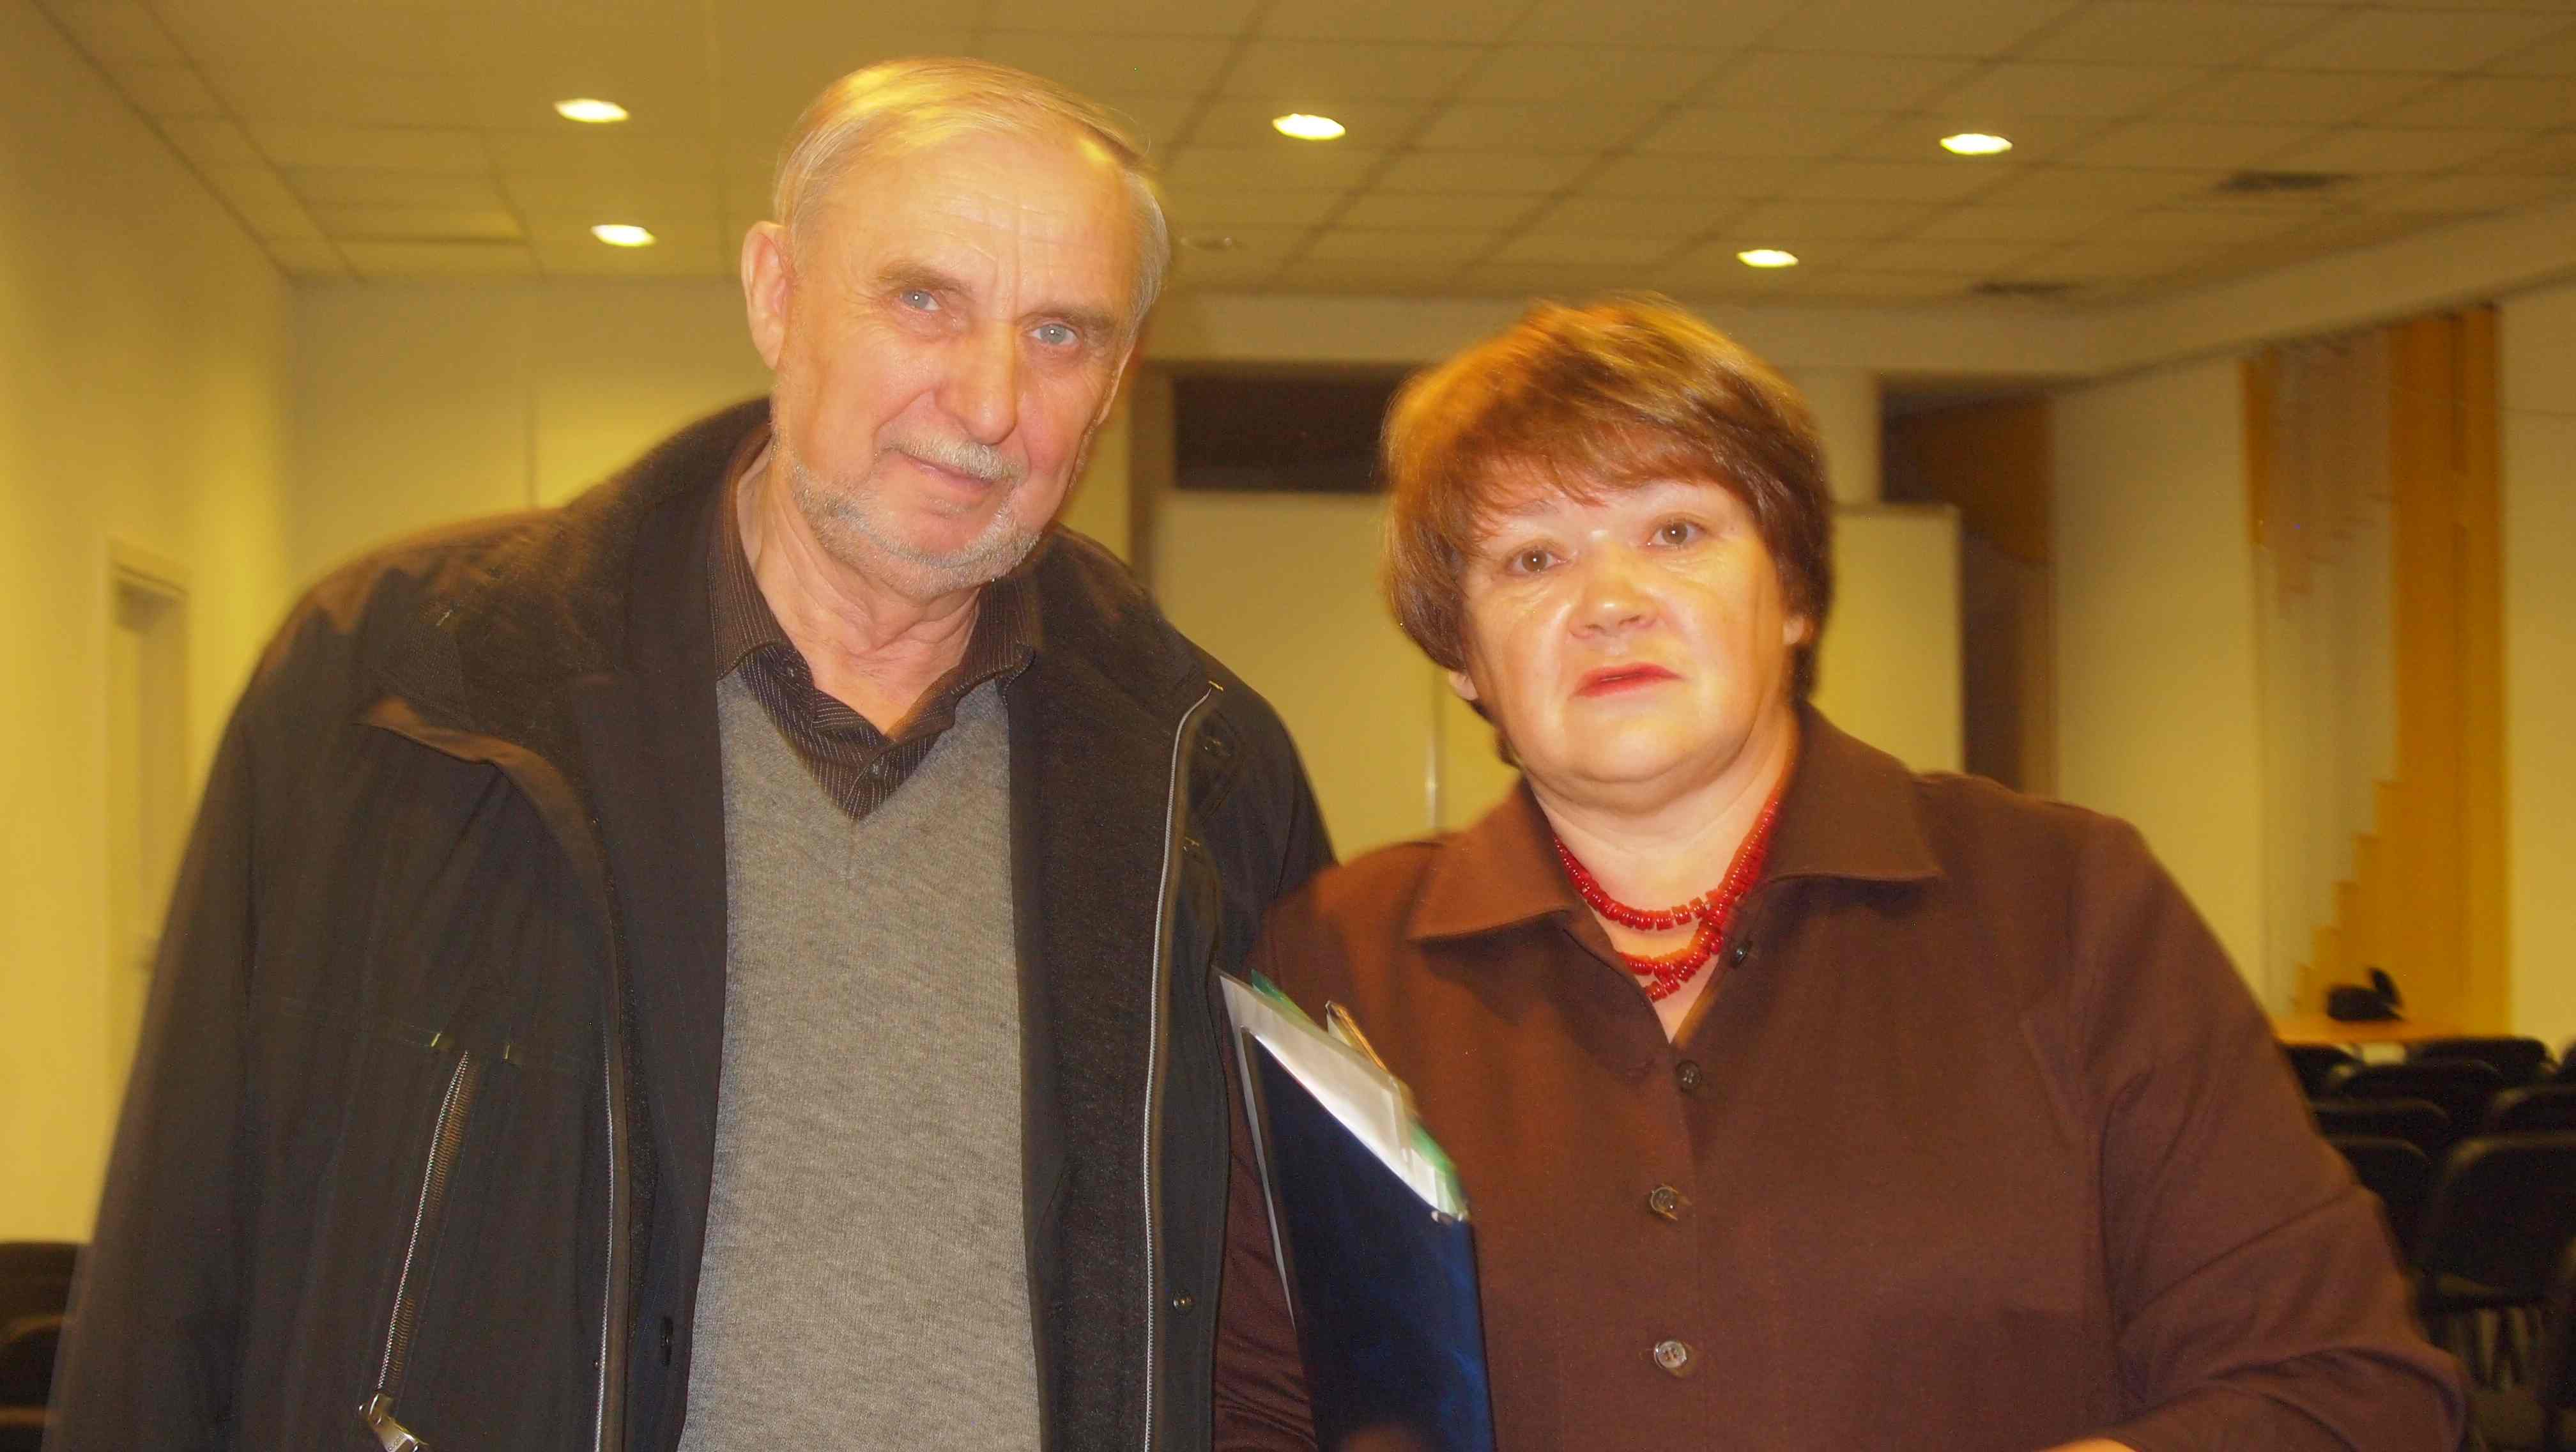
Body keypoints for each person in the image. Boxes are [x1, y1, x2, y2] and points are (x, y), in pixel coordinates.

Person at [48, 58, 1330, 1452]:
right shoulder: (402, 684)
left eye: (1062, 333)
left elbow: (1290, 1319)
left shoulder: (1206, 772)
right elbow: (180, 1248)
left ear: (1118, 376)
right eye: (923, 301)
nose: (987, 401)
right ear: (777, 294)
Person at [1211, 297, 2462, 1449]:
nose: (1611, 600)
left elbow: (2345, 1385)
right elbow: (1251, 1408)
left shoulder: (2071, 902)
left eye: (1677, 531)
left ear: (1795, 593)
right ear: (1462, 657)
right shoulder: (1332, 957)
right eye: (1531, 559)